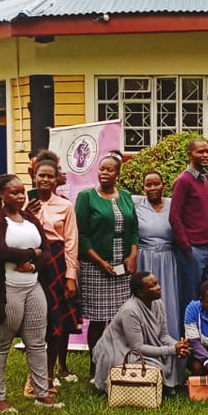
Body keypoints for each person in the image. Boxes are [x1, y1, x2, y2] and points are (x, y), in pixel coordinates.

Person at [0, 174, 62, 411]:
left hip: (32, 285)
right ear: (1, 195)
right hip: (5, 289)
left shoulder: (29, 218)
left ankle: (42, 394)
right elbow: (1, 251)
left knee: (37, 342)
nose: (20, 196)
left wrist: (35, 263)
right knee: (0, 343)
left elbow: (46, 250)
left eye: (22, 192)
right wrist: (32, 253)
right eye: (14, 192)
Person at [76, 153, 139, 364]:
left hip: (122, 266)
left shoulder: (126, 196)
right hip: (96, 266)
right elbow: (82, 235)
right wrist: (101, 262)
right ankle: (95, 365)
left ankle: (116, 362)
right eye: (102, 168)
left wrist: (132, 256)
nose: (104, 173)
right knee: (98, 319)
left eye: (109, 170)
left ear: (118, 174)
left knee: (119, 318)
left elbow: (134, 231)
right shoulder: (86, 198)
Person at [27, 158, 81, 386]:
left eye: (50, 176)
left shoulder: (65, 206)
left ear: (57, 179)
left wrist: (70, 276)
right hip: (32, 263)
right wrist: (27, 213)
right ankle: (36, 372)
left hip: (57, 264)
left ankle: (51, 371)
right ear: (34, 177)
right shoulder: (25, 204)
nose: (46, 180)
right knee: (36, 320)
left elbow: (71, 242)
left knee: (57, 321)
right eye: (42, 176)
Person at [91, 271, 190, 394]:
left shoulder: (158, 303)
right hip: (121, 350)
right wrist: (171, 349)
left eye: (157, 283)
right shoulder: (130, 311)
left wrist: (180, 346)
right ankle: (160, 386)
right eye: (152, 286)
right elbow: (137, 347)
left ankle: (170, 385)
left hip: (143, 347)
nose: (158, 287)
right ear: (140, 292)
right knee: (153, 367)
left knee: (179, 355)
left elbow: (163, 336)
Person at [169, 137, 208, 323]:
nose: (205, 155)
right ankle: (188, 342)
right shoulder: (183, 180)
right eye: (200, 152)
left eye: (207, 151)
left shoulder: (203, 179)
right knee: (191, 298)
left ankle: (205, 338)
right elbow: (174, 216)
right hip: (192, 249)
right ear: (190, 155)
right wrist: (186, 246)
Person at [134, 170, 182, 339]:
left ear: (164, 186)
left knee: (167, 299)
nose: (153, 188)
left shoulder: (173, 204)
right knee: (145, 299)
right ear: (143, 187)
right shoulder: (137, 204)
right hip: (144, 260)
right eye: (149, 185)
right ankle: (144, 341)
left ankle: (170, 342)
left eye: (156, 184)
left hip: (168, 259)